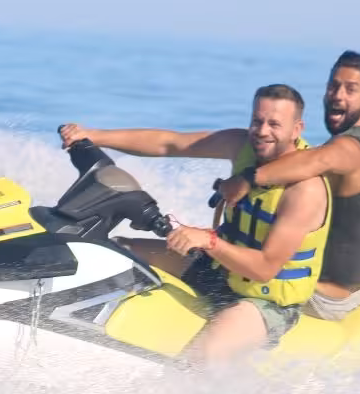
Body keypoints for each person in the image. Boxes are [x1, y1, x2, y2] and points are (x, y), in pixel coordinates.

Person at [58, 84, 330, 362]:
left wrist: (209, 241)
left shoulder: (304, 191)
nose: (262, 131)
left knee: (203, 355)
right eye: (257, 121)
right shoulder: (242, 146)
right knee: (115, 251)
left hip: (264, 302)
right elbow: (170, 143)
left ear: (297, 130)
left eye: (274, 124)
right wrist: (95, 136)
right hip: (220, 272)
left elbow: (265, 268)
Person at [212, 51, 360, 321]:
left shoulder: (349, 147)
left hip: (323, 297)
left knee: (237, 274)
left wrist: (246, 179)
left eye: (350, 89)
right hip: (350, 289)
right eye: (333, 86)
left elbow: (316, 159)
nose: (337, 95)